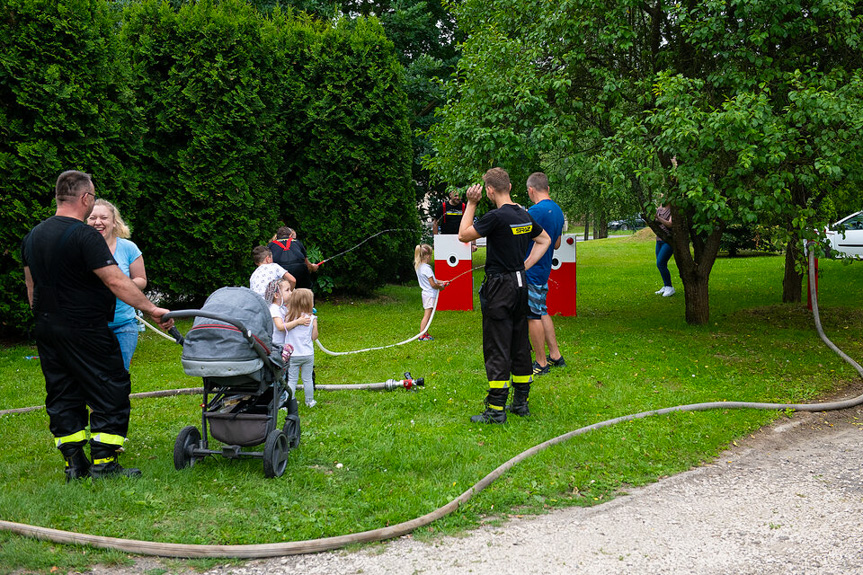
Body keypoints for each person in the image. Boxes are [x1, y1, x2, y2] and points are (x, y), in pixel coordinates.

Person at [21, 170, 174, 482]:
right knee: (109, 386)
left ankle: (74, 465)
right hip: (86, 327)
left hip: (48, 328)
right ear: (85, 198)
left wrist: (46, 319)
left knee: (62, 392)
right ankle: (104, 463)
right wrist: (151, 308)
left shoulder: (33, 236)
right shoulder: (84, 236)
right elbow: (115, 279)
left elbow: (31, 288)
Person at [458, 168, 551, 423]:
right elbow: (544, 240)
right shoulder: (523, 214)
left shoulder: (495, 217)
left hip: (500, 286)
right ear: (509, 186)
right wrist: (525, 265)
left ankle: (496, 410)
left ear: (489, 190)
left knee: (497, 344)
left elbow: (463, 234)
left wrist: (471, 203)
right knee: (519, 343)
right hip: (521, 284)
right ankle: (521, 403)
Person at [87, 199, 147, 371]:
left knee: (120, 373)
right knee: (93, 373)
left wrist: (118, 286)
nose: (98, 222)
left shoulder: (129, 248)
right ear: (86, 221)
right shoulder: (80, 248)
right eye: (92, 218)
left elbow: (141, 280)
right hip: (91, 325)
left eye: (104, 218)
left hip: (124, 324)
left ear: (114, 222)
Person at [524, 173, 566, 378]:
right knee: (541, 310)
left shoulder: (533, 212)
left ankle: (541, 362)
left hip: (531, 268)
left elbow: (520, 239)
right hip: (544, 269)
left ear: (531, 190)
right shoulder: (558, 211)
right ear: (547, 188)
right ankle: (556, 355)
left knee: (533, 315)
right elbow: (556, 244)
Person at [284, 288, 318, 408]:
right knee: (307, 379)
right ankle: (310, 401)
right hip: (308, 354)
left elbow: (284, 330)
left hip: (292, 355)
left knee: (292, 380)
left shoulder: (288, 318)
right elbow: (314, 337)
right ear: (309, 303)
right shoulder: (312, 319)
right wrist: (314, 325)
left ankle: (290, 401)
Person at [414, 243, 448, 341]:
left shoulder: (419, 267)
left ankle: (425, 333)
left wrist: (443, 282)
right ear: (427, 256)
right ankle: (422, 335)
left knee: (428, 315)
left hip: (426, 293)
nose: (431, 258)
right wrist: (441, 287)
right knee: (427, 316)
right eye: (431, 255)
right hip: (429, 294)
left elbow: (434, 280)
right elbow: (433, 284)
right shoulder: (427, 268)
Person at [264, 278, 294, 363]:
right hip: (276, 346)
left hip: (282, 345)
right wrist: (298, 322)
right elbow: (280, 327)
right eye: (287, 290)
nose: (291, 293)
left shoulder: (282, 308)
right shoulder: (274, 309)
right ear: (276, 295)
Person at [654, 201, 675, 297]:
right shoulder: (659, 209)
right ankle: (666, 285)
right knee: (661, 264)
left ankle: (669, 287)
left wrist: (658, 218)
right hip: (659, 239)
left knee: (660, 263)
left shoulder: (673, 210)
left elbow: (670, 224)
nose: (661, 196)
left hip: (669, 240)